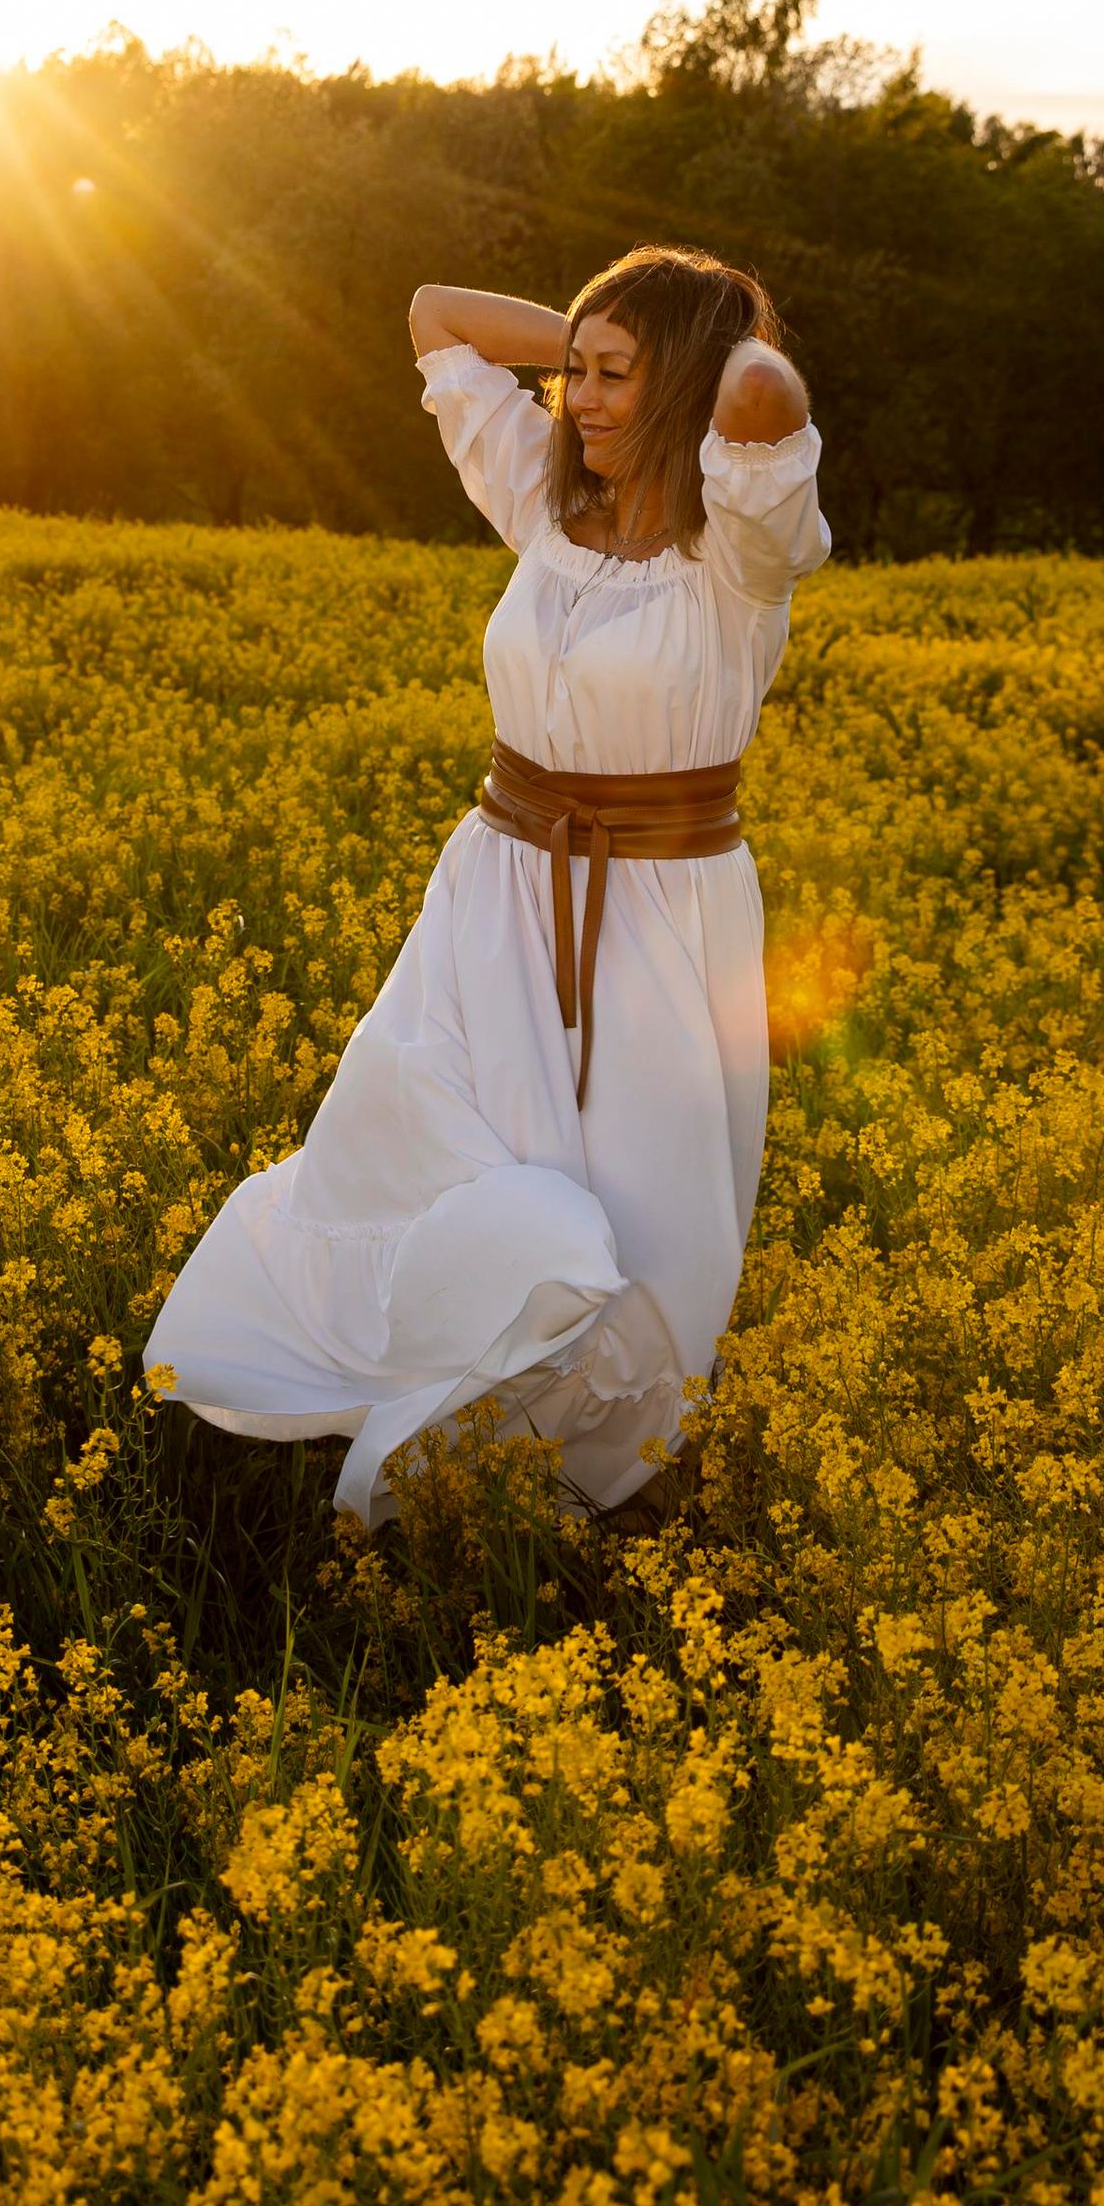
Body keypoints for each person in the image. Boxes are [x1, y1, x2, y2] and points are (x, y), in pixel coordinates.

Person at [144, 245, 829, 1525]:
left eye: (617, 378)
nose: (579, 401)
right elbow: (433, 314)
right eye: (571, 375)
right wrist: (593, 343)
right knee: (429, 1149)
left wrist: (702, 339)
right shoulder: (545, 503)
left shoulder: (740, 552)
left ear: (686, 379)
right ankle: (423, 1384)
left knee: (634, 1211)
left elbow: (759, 398)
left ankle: (584, 1466)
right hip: (496, 887)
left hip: (658, 919)